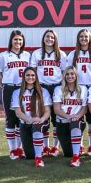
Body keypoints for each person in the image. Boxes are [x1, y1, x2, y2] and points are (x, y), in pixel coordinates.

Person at [0, 30, 31, 160]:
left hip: (23, 89)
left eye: (20, 40)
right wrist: (3, 86)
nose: (18, 42)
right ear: (11, 41)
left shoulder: (27, 55)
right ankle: (12, 150)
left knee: (22, 118)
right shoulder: (3, 55)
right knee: (11, 119)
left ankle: (19, 149)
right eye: (15, 39)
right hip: (9, 88)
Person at [30, 29, 67, 157]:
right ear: (43, 38)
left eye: (52, 37)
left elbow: (64, 73)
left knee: (56, 118)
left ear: (55, 40)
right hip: (41, 87)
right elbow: (32, 72)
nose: (49, 39)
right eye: (47, 37)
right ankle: (45, 146)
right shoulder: (36, 53)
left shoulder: (61, 54)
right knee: (43, 116)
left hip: (56, 87)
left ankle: (55, 147)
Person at [67, 29, 91, 156]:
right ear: (78, 38)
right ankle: (81, 144)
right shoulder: (73, 54)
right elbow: (69, 71)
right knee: (78, 115)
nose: (83, 39)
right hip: (78, 88)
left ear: (89, 38)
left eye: (86, 37)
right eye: (81, 37)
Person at [11, 67, 52, 168]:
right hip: (25, 123)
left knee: (36, 127)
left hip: (40, 122)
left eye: (33, 75)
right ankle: (38, 146)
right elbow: (18, 112)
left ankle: (39, 159)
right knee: (30, 155)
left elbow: (47, 111)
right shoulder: (17, 92)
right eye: (28, 75)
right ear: (24, 77)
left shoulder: (43, 91)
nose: (30, 77)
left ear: (36, 77)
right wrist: (30, 120)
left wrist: (41, 119)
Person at [53, 66, 88, 167]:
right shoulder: (58, 89)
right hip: (62, 122)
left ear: (76, 75)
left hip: (77, 120)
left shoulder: (83, 89)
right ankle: (76, 150)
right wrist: (69, 116)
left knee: (75, 123)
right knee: (68, 153)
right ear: (64, 76)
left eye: (72, 74)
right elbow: (56, 109)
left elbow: (84, 108)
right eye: (67, 74)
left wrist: (76, 116)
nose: (70, 76)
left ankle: (76, 157)